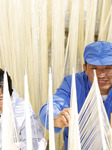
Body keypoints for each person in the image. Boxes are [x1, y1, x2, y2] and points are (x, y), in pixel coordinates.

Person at [39, 41, 112, 149]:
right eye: (94, 68)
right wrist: (56, 118)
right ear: (85, 68)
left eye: (108, 68)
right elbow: (52, 105)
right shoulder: (73, 83)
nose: (101, 75)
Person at [0, 69, 47, 150]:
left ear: (10, 94)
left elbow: (37, 142)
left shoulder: (21, 108)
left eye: (1, 98)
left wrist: (17, 147)